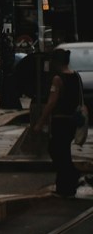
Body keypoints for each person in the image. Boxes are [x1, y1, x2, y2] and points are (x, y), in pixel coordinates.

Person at [33, 47, 83, 197]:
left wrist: (40, 122)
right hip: (72, 120)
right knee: (63, 151)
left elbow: (51, 102)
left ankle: (71, 176)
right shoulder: (76, 76)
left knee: (56, 150)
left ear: (56, 62)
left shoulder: (57, 79)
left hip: (60, 120)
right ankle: (65, 186)